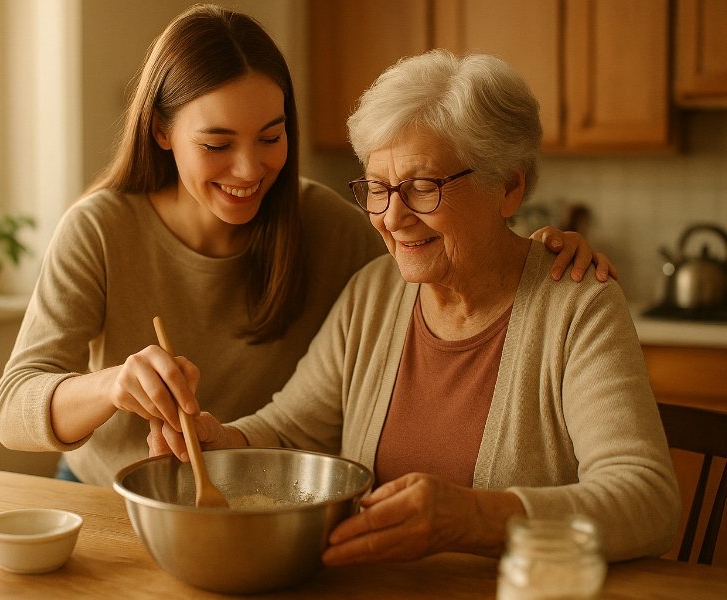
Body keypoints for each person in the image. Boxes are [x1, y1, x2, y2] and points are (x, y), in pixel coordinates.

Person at [0, 5, 612, 487]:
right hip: (108, 491)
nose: (248, 168)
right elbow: (13, 409)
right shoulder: (99, 228)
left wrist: (528, 251)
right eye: (216, 144)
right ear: (160, 130)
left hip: (253, 493)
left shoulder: (324, 223)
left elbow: (444, 261)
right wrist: (111, 387)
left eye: (271, 135)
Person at [148, 50, 680, 565]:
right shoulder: (374, 293)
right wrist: (225, 443)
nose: (392, 217)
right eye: (376, 188)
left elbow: (646, 500)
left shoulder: (578, 305)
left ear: (509, 186)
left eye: (422, 187)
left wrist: (475, 517)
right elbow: (292, 430)